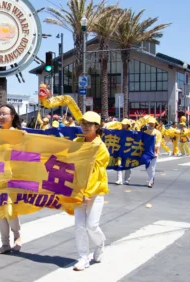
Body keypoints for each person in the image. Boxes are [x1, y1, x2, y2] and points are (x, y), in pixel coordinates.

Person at [72, 111, 109, 271]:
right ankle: (83, 258)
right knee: (79, 225)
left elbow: (97, 173)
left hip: (94, 191)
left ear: (97, 126)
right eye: (83, 123)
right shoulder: (77, 142)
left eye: (89, 124)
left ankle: (100, 245)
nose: (85, 127)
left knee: (91, 226)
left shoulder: (100, 147)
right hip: (77, 189)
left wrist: (88, 193)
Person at [0, 104, 23, 254]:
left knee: (9, 208)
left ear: (12, 116)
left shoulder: (18, 134)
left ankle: (17, 235)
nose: (0, 117)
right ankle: (4, 243)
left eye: (4, 114)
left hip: (12, 177)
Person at [145, 117, 162, 188]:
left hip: (154, 152)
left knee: (152, 167)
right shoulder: (145, 132)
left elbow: (158, 143)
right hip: (146, 152)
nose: (151, 125)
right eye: (150, 124)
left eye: (152, 124)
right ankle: (152, 178)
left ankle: (150, 181)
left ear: (155, 124)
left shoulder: (158, 133)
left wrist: (155, 152)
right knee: (147, 167)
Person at [115, 119, 132, 185]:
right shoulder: (119, 131)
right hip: (120, 150)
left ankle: (127, 179)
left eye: (124, 124)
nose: (123, 125)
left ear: (127, 125)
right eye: (122, 124)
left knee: (128, 166)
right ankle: (119, 180)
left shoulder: (131, 132)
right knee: (119, 164)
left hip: (128, 150)